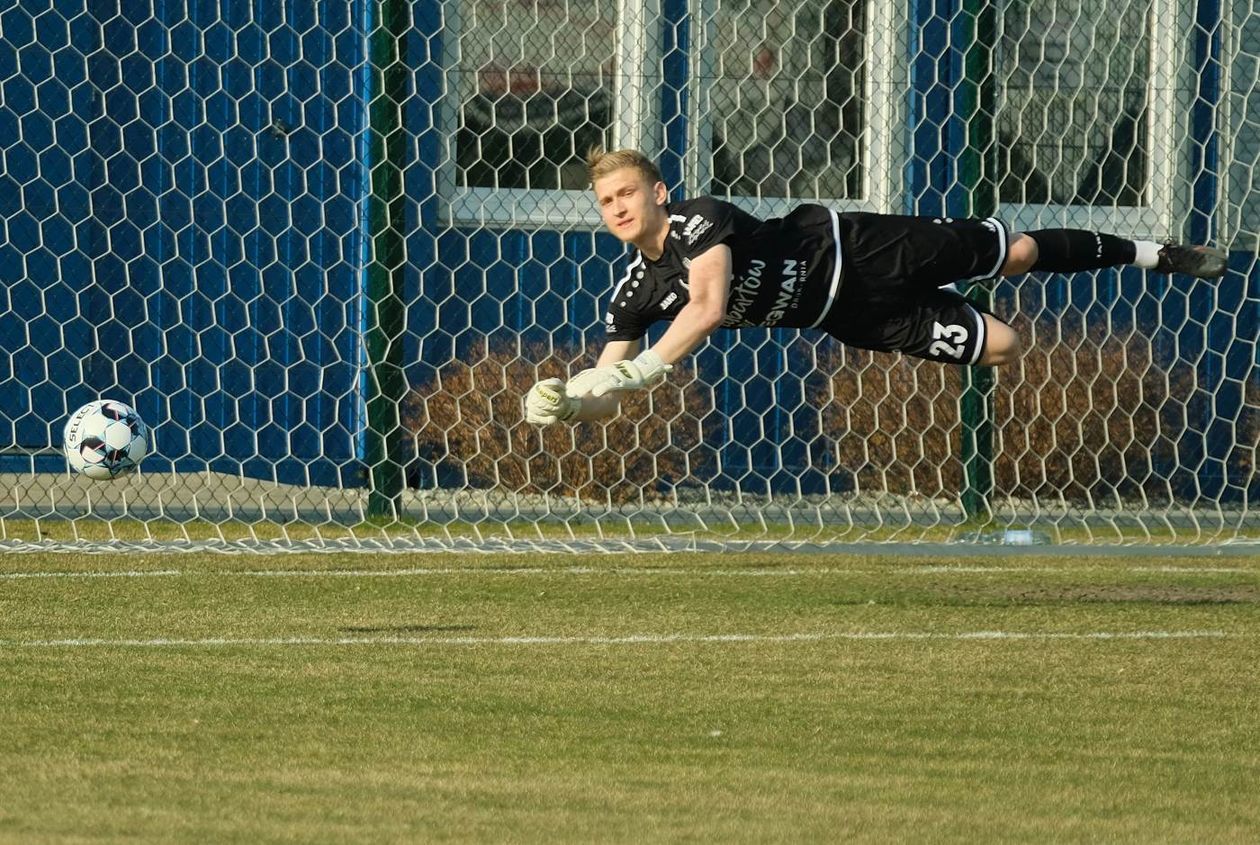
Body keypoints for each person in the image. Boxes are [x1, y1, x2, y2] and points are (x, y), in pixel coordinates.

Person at [524, 148, 1228, 425]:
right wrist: (566, 401)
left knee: (1013, 253)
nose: (616, 208)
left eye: (627, 193)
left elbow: (707, 307)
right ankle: (966, 301)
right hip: (852, 317)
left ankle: (1154, 252)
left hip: (858, 247)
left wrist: (647, 369)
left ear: (658, 193)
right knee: (1005, 344)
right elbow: (609, 390)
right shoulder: (633, 293)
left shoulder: (699, 219)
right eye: (605, 202)